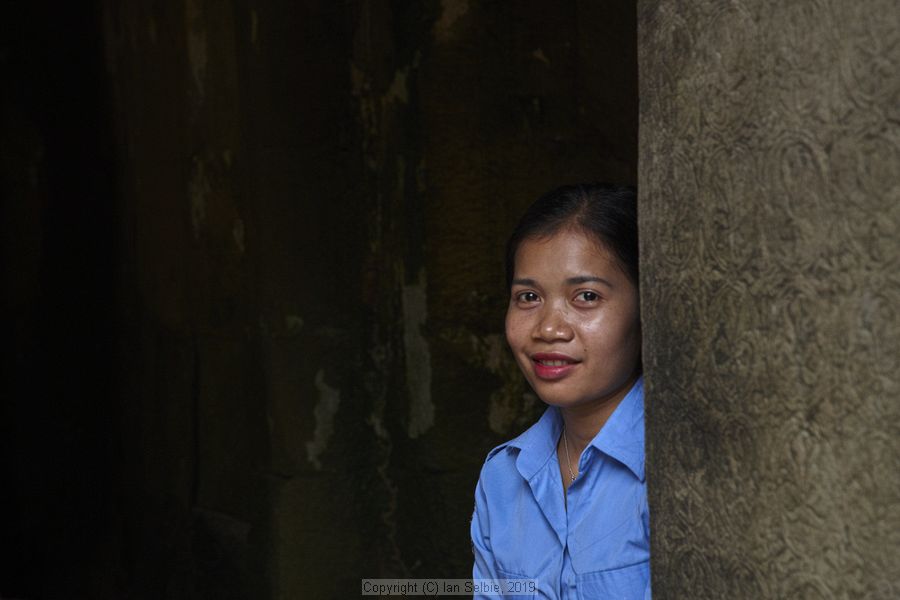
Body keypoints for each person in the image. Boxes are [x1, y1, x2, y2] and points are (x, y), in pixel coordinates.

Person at [471, 183, 650, 599]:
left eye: (586, 296)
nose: (549, 329)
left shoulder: (679, 467)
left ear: (648, 310)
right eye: (528, 297)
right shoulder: (503, 478)